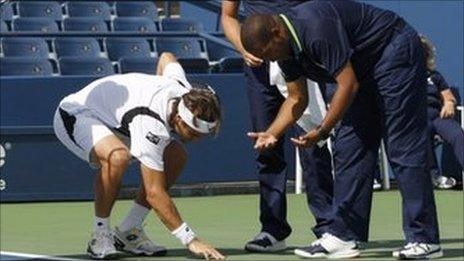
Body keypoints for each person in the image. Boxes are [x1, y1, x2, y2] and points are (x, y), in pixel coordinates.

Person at [240, 0, 442, 259]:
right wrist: (273, 132)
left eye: (270, 53)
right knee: (350, 148)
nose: (271, 60)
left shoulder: (314, 27)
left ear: (277, 32)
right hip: (361, 67)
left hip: (394, 51)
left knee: (402, 145)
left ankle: (425, 239)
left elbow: (347, 85)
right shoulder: (283, 49)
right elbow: (296, 98)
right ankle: (344, 235)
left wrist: (323, 130)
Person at [53, 52, 225, 260]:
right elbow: (155, 193)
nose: (197, 139)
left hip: (120, 123)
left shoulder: (184, 91)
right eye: (193, 132)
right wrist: (191, 240)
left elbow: (166, 57)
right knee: (117, 156)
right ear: (178, 118)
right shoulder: (150, 123)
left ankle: (129, 230)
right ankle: (100, 235)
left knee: (176, 156)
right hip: (77, 115)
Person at [222, 0, 333, 253]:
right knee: (265, 145)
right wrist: (244, 48)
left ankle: (328, 227)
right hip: (258, 68)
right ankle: (273, 230)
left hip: (299, 57)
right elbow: (228, 17)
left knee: (312, 144)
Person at [420, 36, 464, 189]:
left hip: (438, 116)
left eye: (424, 52)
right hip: (418, 117)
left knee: (457, 133)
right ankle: (434, 175)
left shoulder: (435, 76)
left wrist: (449, 103)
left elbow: (448, 95)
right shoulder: (404, 76)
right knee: (422, 131)